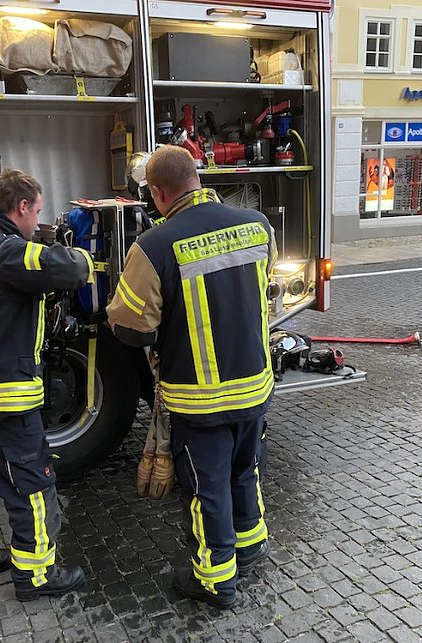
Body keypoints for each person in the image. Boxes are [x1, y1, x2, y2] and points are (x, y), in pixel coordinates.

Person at [106, 146, 277, 609]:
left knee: (206, 490)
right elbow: (262, 291)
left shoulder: (155, 245)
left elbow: (131, 327)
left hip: (200, 401)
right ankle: (250, 546)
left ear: (159, 193)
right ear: (197, 179)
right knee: (246, 470)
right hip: (255, 388)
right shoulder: (257, 225)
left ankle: (215, 580)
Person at [0, 169, 93, 600]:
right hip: (2, 398)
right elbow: (64, 269)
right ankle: (36, 576)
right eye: (38, 213)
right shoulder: (4, 250)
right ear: (22, 207)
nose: (37, 222)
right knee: (32, 485)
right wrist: (82, 256)